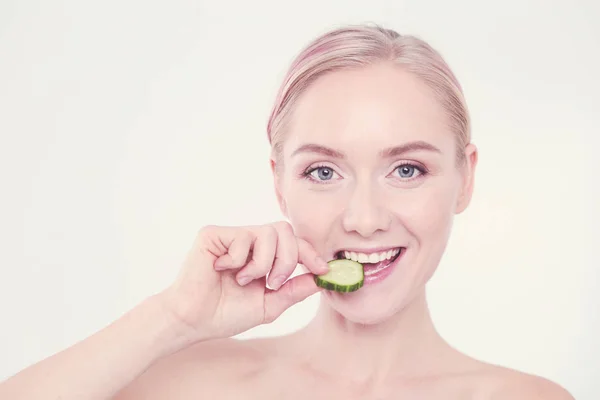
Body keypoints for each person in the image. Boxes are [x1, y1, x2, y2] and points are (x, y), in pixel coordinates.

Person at [0, 23, 574, 400]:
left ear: (464, 178)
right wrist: (174, 318)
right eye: (323, 172)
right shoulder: (195, 383)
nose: (365, 218)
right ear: (279, 184)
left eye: (407, 170)